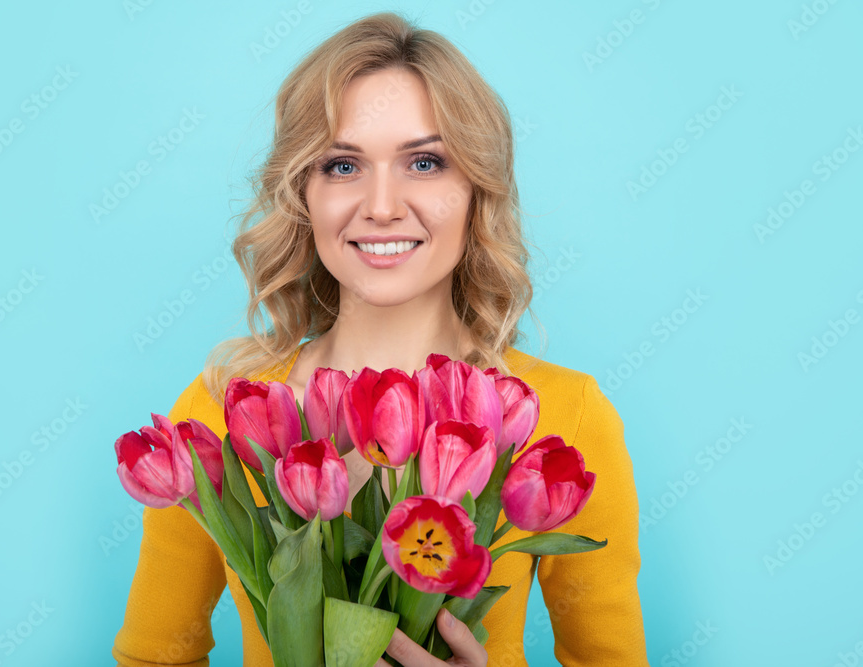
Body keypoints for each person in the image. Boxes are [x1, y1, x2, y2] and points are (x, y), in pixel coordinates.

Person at [112, 11, 648, 666]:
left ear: (477, 188)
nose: (384, 205)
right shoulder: (220, 411)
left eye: (425, 161)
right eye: (342, 165)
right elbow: (152, 656)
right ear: (302, 192)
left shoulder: (563, 416)